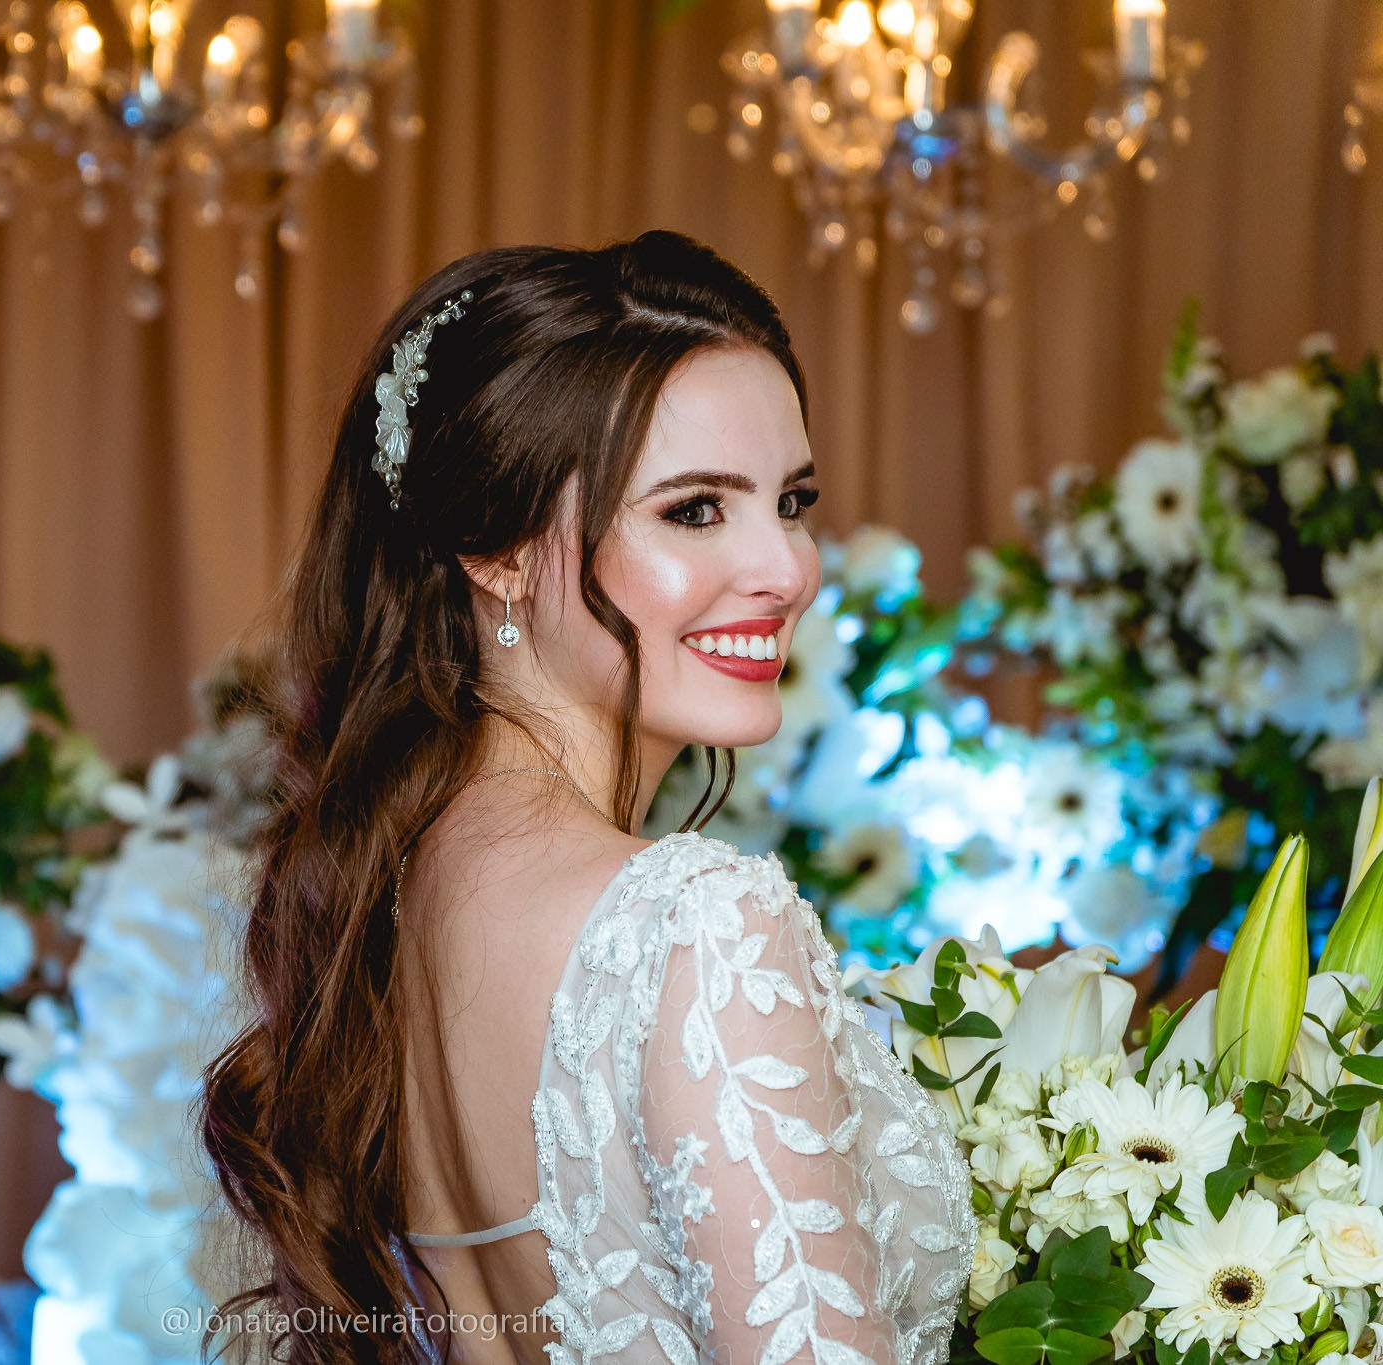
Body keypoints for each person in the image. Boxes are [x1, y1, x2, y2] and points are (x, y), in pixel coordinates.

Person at [197, 230, 973, 1364]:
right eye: (694, 509)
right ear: (495, 549)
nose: (784, 568)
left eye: (791, 499)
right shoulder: (696, 926)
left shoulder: (395, 879)